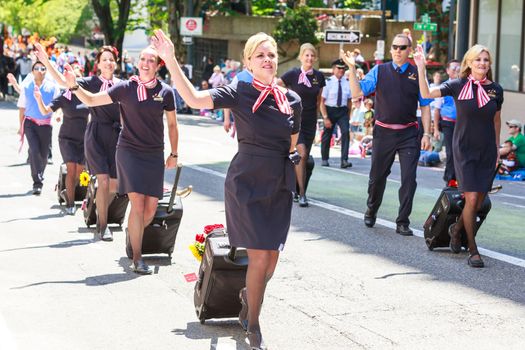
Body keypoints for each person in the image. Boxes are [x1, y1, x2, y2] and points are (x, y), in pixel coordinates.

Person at [151, 29, 301, 350]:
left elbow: (292, 143)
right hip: (246, 182)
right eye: (259, 55)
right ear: (248, 60)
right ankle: (254, 326)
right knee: (259, 257)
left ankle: (250, 295)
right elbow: (192, 98)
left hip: (277, 183)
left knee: (271, 260)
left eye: (271, 54)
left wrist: (294, 161)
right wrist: (171, 59)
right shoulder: (239, 90)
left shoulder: (292, 100)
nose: (267, 59)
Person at [63, 46, 179, 275]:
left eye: (151, 60)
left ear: (158, 66)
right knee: (137, 204)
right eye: (142, 59)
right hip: (129, 152)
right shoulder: (125, 88)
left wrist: (174, 154)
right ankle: (137, 258)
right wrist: (74, 85)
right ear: (138, 63)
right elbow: (93, 100)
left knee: (150, 209)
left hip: (154, 154)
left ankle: (133, 233)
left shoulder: (166, 92)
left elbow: (173, 125)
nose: (146, 63)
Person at [415, 44, 504, 268]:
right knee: (471, 199)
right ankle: (473, 250)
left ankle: (456, 230)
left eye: (486, 60)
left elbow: (496, 120)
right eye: (478, 60)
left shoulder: (496, 89)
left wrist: (496, 148)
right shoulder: (457, 85)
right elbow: (426, 94)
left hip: (487, 150)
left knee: (479, 201)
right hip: (464, 149)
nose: (482, 63)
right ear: (469, 63)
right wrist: (420, 67)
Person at [341, 33, 432, 236]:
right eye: (395, 47)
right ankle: (372, 209)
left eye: (402, 47)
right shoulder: (380, 71)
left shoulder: (417, 73)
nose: (398, 50)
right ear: (391, 49)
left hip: (409, 133)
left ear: (409, 51)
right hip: (383, 133)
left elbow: (425, 106)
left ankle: (403, 221)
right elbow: (357, 93)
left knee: (409, 179)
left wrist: (427, 133)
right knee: (377, 178)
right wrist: (352, 68)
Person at [34, 43, 122, 241]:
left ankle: (98, 210)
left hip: (116, 136)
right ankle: (102, 225)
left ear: (115, 63)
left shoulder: (122, 84)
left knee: (115, 186)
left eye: (111, 59)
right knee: (103, 180)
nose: (108, 62)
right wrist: (46, 61)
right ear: (98, 64)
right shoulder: (89, 82)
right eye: (104, 59)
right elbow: (63, 81)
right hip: (96, 134)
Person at [33, 62, 89, 214]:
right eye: (72, 77)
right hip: (67, 139)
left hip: (84, 139)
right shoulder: (64, 96)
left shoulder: (87, 96)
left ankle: (66, 192)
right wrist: (39, 99)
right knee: (71, 169)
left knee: (80, 172)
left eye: (78, 77)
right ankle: (71, 204)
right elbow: (45, 110)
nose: (75, 80)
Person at [279, 43, 325, 207]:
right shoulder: (292, 74)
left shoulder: (319, 77)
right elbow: (276, 86)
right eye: (306, 55)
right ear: (300, 57)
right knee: (302, 154)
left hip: (311, 122)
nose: (309, 58)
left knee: (303, 160)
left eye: (312, 55)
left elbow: (319, 99)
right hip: (295, 120)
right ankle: (303, 194)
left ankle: (296, 190)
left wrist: (322, 117)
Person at [16, 61, 61, 194]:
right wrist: (21, 126)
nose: (40, 70)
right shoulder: (26, 87)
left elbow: (58, 105)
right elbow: (22, 108)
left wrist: (58, 115)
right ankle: (37, 182)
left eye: (43, 68)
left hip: (46, 125)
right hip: (30, 124)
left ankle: (39, 172)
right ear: (32, 71)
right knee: (34, 150)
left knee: (44, 154)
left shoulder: (53, 87)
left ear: (46, 71)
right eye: (36, 68)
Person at [320, 59, 352, 169]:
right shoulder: (328, 82)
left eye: (343, 68)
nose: (341, 70)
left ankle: (344, 160)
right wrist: (325, 117)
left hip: (342, 111)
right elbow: (322, 102)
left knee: (345, 132)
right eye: (339, 68)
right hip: (330, 110)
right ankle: (324, 158)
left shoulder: (347, 82)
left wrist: (349, 115)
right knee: (327, 134)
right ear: (333, 69)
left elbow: (349, 101)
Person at [433, 60, 461, 187]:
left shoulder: (464, 85)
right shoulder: (443, 87)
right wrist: (435, 130)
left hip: (462, 124)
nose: (456, 70)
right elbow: (437, 110)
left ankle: (458, 178)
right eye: (454, 68)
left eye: (458, 68)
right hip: (448, 123)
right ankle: (449, 179)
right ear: (448, 71)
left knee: (460, 151)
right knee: (450, 152)